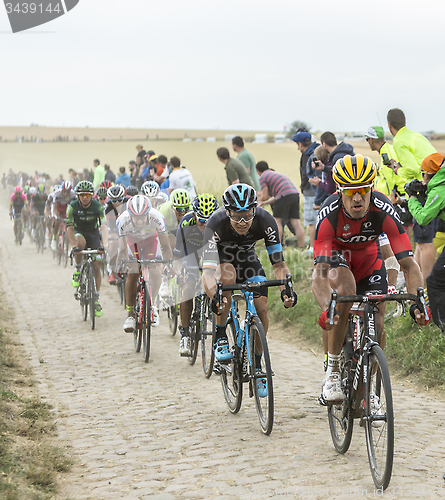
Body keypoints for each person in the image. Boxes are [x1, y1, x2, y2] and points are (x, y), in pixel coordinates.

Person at [312, 154, 428, 402]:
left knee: (377, 318)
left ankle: (367, 390)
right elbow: (320, 273)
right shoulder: (329, 214)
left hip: (368, 259)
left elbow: (409, 264)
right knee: (345, 290)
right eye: (351, 191)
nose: (357, 197)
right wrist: (326, 307)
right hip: (337, 256)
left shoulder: (383, 208)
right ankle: (332, 371)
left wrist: (419, 301)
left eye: (363, 190)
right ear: (339, 190)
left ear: (371, 188)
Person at [201, 184, 297, 367]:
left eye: (247, 215)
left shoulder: (265, 220)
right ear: (227, 212)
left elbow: (279, 264)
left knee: (261, 309)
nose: (243, 222)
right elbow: (207, 272)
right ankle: (220, 335)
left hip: (248, 260)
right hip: (223, 259)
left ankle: (258, 363)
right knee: (228, 277)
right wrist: (215, 295)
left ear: (255, 209)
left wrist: (287, 289)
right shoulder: (215, 222)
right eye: (237, 216)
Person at [387, 108, 437, 285]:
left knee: (424, 241)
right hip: (434, 183)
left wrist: (398, 169)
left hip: (424, 187)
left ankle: (427, 290)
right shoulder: (414, 135)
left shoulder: (399, 141)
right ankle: (416, 284)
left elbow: (414, 170)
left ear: (389, 125)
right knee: (420, 242)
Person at [117, 195, 173, 332]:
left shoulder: (157, 217)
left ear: (148, 213)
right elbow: (122, 249)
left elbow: (166, 246)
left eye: (142, 217)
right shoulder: (122, 220)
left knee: (155, 270)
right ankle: (130, 314)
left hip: (150, 242)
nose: (140, 221)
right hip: (132, 242)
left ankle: (152, 304)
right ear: (130, 215)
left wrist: (168, 264)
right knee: (133, 271)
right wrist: (123, 263)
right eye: (136, 218)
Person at [174, 194, 219, 356]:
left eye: (209, 221)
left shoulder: (220, 223)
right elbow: (178, 255)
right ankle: (185, 334)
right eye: (201, 220)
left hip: (210, 252)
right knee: (188, 288)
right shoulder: (185, 222)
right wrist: (180, 272)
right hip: (190, 255)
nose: (205, 224)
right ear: (194, 215)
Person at [407, 153, 445, 331]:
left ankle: (441, 328)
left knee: (435, 281)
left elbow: (423, 217)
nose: (422, 179)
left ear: (431, 174)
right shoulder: (439, 186)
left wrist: (412, 200)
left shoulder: (440, 189)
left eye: (423, 174)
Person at [67, 181, 109, 317]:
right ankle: (78, 270)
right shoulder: (72, 207)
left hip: (94, 235)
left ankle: (95, 298)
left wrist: (105, 244)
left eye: (87, 195)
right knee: (80, 242)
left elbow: (103, 225)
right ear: (77, 196)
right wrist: (74, 247)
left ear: (92, 195)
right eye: (82, 195)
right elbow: (69, 228)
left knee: (97, 265)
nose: (85, 197)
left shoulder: (98, 206)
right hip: (80, 233)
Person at [256, 161, 305, 247]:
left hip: (284, 196)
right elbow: (276, 198)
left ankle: (277, 247)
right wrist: (264, 202)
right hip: (294, 194)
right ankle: (301, 246)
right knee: (296, 222)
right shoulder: (274, 174)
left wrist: (258, 201)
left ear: (258, 171)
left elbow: (265, 196)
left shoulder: (263, 177)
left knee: (277, 222)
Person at [292, 130, 320, 253]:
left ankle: (313, 248)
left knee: (312, 222)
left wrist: (303, 187)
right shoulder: (318, 151)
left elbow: (305, 175)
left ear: (300, 143)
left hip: (310, 192)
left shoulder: (306, 155)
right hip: (321, 190)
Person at [103, 184, 129, 285]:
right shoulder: (107, 206)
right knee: (113, 242)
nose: (117, 203)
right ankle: (111, 269)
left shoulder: (129, 203)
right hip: (114, 225)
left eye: (119, 200)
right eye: (114, 201)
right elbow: (105, 224)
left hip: (127, 225)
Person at [50, 180, 75, 251]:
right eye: (64, 191)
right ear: (62, 190)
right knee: (57, 221)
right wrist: (55, 215)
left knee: (69, 225)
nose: (65, 193)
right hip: (58, 207)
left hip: (66, 208)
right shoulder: (57, 193)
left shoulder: (73, 194)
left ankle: (70, 245)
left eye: (67, 192)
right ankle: (54, 240)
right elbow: (54, 207)